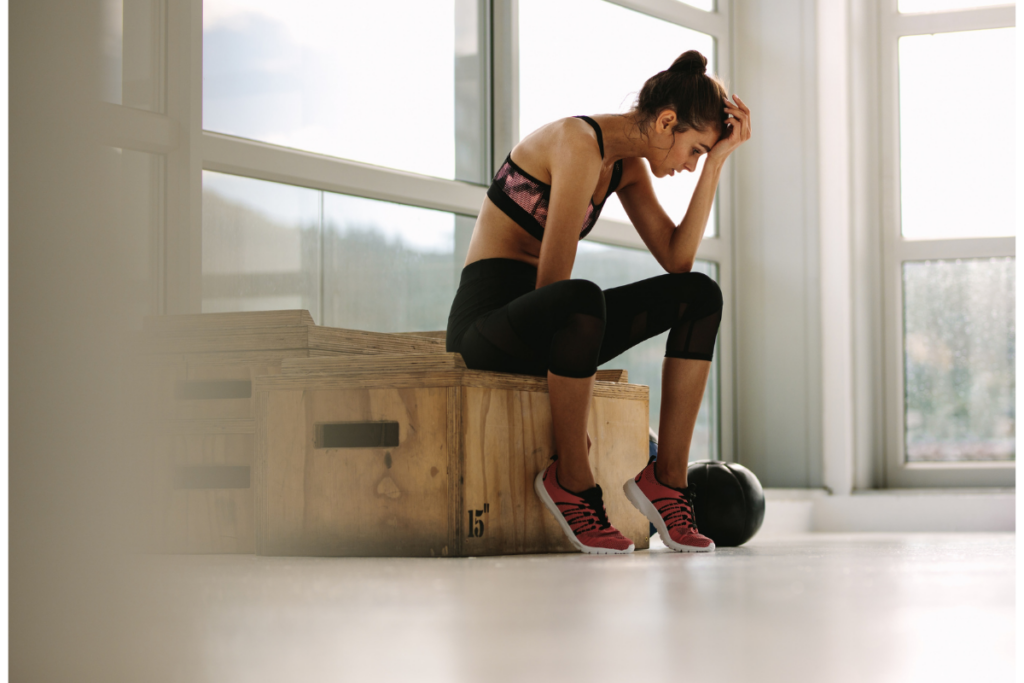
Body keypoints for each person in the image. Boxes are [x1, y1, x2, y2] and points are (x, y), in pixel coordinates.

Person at [446, 50, 752, 554]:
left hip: (559, 322)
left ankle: (667, 480)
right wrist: (577, 421)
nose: (688, 165)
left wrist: (717, 163)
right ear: (667, 121)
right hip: (489, 326)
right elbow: (551, 287)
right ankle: (572, 480)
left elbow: (677, 259)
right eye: (694, 150)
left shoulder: (626, 167)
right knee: (579, 299)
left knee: (700, 294)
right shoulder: (576, 143)